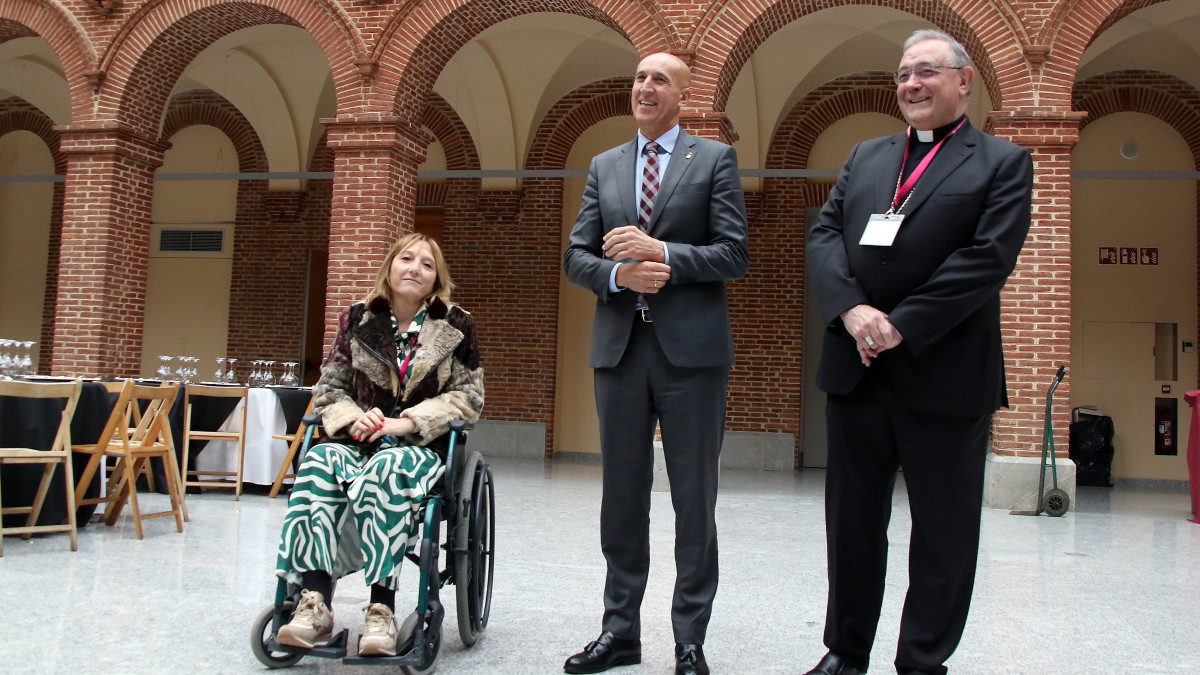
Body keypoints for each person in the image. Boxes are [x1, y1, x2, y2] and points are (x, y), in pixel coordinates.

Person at [803, 30, 1033, 675]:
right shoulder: (867, 156)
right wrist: (851, 311)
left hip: (946, 374)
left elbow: (987, 259)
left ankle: (923, 660)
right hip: (858, 369)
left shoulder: (1002, 162)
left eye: (926, 71)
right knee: (851, 528)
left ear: (965, 82)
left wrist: (901, 323)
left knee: (943, 533)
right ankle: (845, 652)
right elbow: (824, 236)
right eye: (903, 74)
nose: (911, 84)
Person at [562, 52, 750, 675]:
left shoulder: (714, 159)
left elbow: (733, 254)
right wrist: (620, 274)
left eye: (659, 79)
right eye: (639, 77)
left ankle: (689, 638)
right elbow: (576, 258)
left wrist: (661, 251)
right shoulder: (605, 165)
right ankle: (620, 633)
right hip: (619, 352)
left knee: (694, 499)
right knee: (621, 498)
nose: (645, 86)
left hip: (692, 357)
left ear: (683, 95)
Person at [274, 233, 484, 657]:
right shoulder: (357, 319)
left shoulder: (456, 325)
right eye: (406, 258)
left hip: (418, 448)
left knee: (387, 471)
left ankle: (381, 609)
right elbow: (330, 388)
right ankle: (314, 603)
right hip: (357, 440)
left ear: (436, 278)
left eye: (427, 264)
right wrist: (356, 416)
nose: (415, 268)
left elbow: (468, 397)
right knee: (318, 462)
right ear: (389, 267)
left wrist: (404, 421)